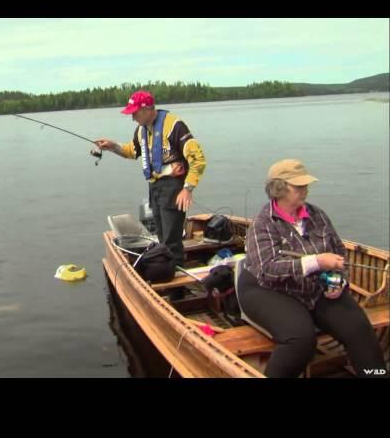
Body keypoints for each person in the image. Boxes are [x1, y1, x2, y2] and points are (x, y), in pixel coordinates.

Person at [238, 158, 386, 378]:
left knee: (359, 328)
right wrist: (317, 262)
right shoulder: (263, 222)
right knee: (300, 340)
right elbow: (267, 269)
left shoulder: (317, 215)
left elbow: (339, 254)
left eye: (305, 184)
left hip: (314, 286)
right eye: (298, 186)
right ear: (279, 188)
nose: (305, 189)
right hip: (265, 289)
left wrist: (338, 280)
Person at [95, 90, 206, 269]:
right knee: (162, 237)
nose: (132, 118)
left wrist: (187, 189)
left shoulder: (174, 126)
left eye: (135, 113)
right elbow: (132, 151)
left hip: (173, 188)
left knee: (171, 240)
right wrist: (113, 146)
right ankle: (167, 271)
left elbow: (198, 159)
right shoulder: (141, 130)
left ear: (146, 109)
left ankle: (177, 285)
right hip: (154, 187)